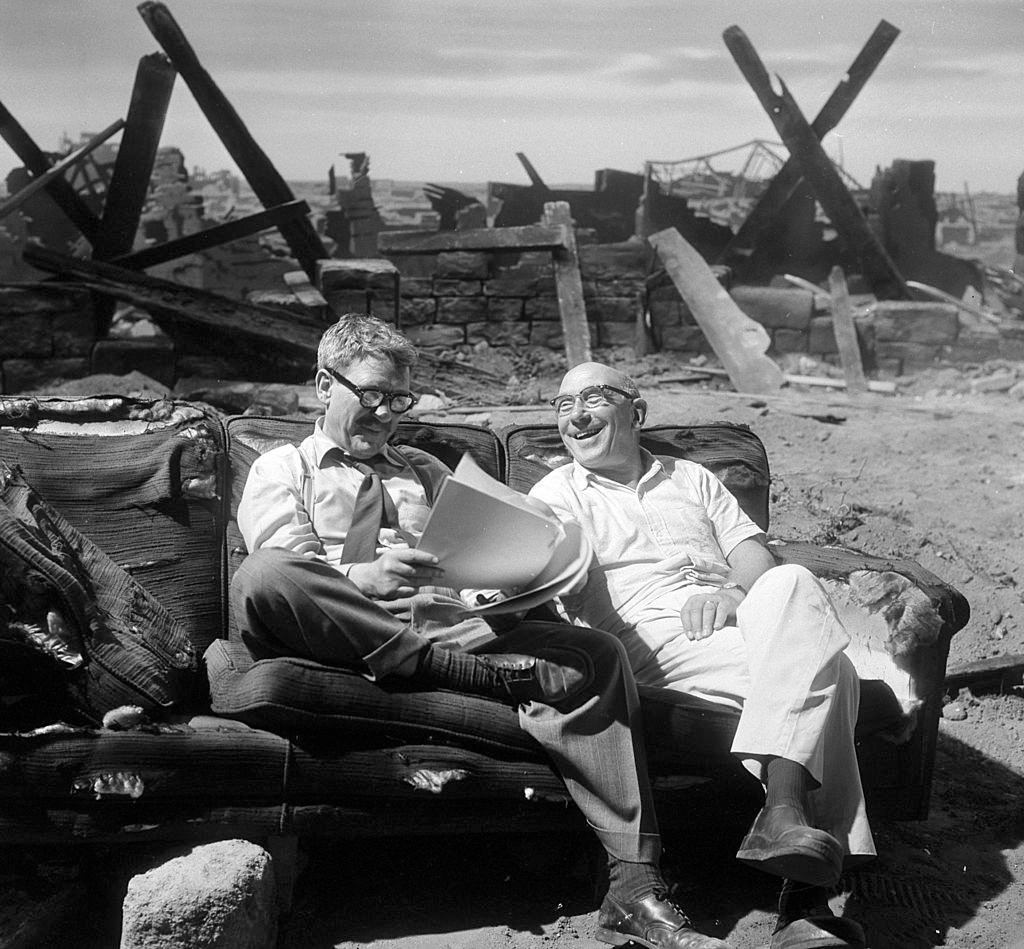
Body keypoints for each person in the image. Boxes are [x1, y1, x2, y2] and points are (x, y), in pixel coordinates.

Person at [232, 313, 735, 949]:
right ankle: (446, 669)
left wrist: (514, 568)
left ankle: (632, 885)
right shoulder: (284, 467)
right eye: (371, 395)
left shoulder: (421, 470)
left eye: (400, 400)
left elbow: (491, 544)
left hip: (450, 630)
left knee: (597, 651)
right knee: (266, 573)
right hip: (339, 627)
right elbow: (288, 567)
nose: (385, 414)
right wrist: (364, 574)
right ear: (322, 386)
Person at [528, 361, 874, 949]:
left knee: (791, 584)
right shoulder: (557, 493)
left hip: (739, 618)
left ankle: (786, 822)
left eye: (593, 398)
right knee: (832, 668)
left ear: (635, 412)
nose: (576, 416)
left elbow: (753, 557)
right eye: (563, 405)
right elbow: (543, 565)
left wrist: (733, 595)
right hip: (647, 637)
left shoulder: (693, 478)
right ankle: (808, 894)